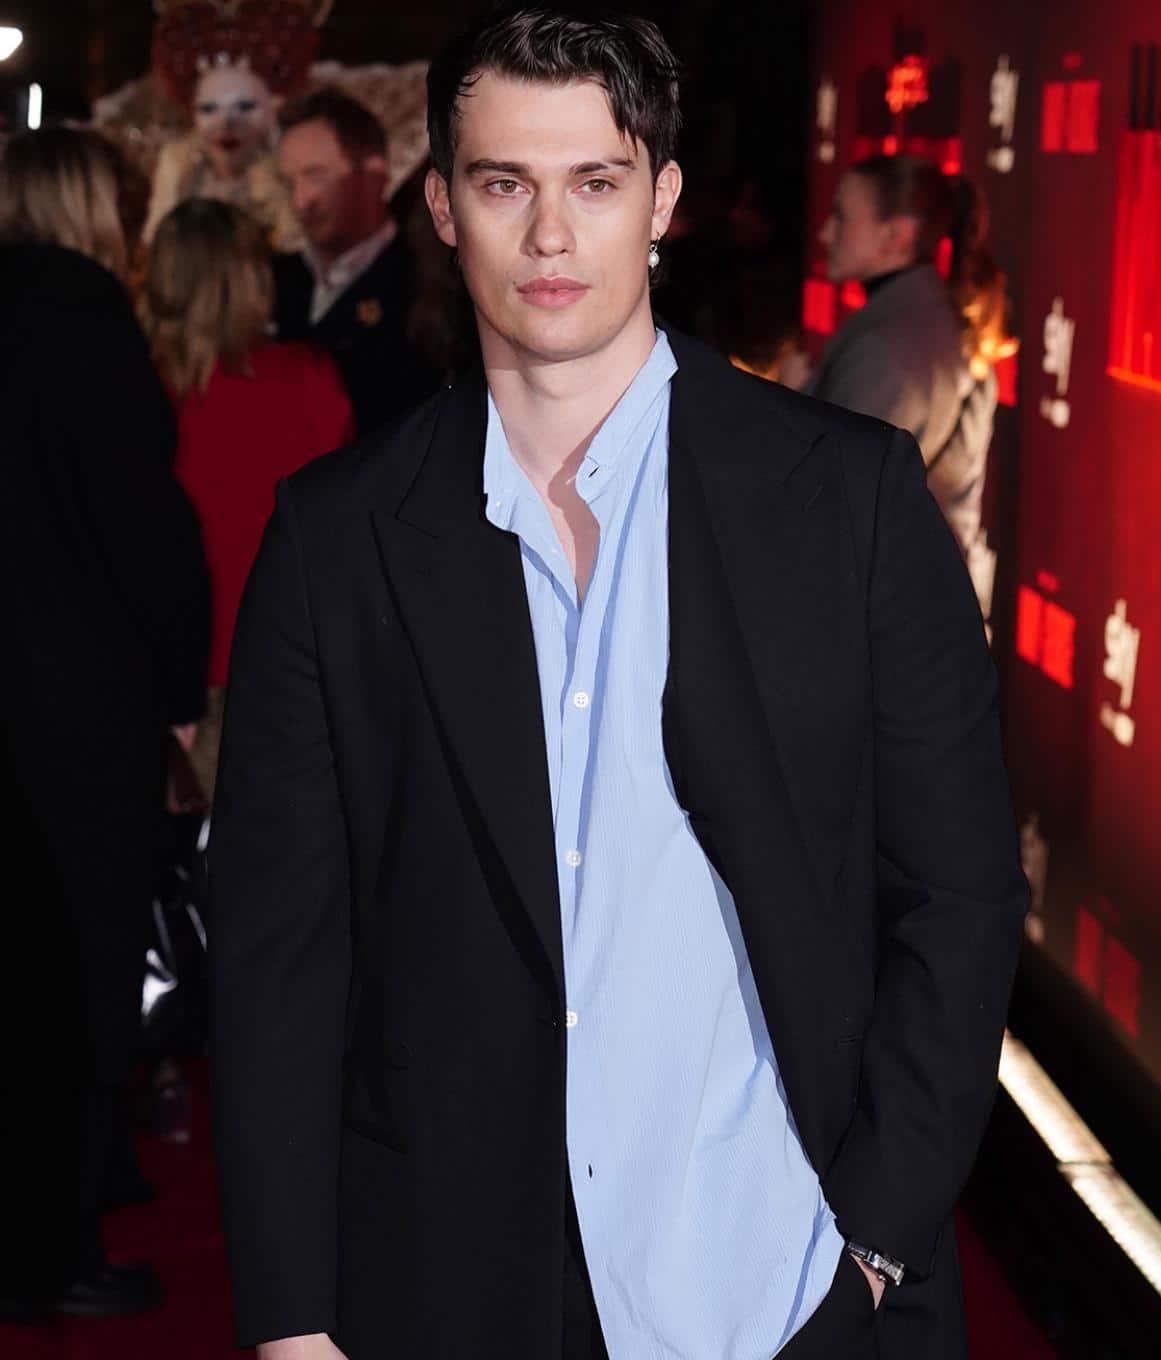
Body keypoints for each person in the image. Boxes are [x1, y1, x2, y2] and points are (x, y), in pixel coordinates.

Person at [209, 10, 1028, 1360]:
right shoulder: (336, 539)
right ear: (441, 208)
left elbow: (962, 894)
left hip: (784, 1286)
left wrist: (874, 1243)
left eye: (593, 182)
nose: (549, 235)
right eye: (504, 184)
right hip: (451, 1289)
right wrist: (293, 1322)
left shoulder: (849, 502)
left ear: (662, 200)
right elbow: (278, 956)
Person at [0, 126, 209, 1318]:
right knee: (79, 972)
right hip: (76, 709)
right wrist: (178, 692)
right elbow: (147, 530)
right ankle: (56, 1249)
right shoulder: (86, 323)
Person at [143, 197, 353, 802]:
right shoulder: (308, 378)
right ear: (253, 278)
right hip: (289, 669)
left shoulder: (137, 390)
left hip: (166, 673)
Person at [807, 155, 1017, 620]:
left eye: (841, 217)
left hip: (891, 626)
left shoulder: (895, 347)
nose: (824, 233)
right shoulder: (913, 325)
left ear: (895, 236)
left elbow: (842, 509)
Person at [273, 87, 443, 435]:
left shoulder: (428, 287)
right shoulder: (269, 281)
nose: (301, 200)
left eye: (317, 176)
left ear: (373, 173)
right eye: (289, 182)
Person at [142, 0, 321, 250]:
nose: (226, 125)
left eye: (245, 107)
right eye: (209, 109)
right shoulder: (179, 167)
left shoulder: (291, 168)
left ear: (274, 107)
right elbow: (156, 251)